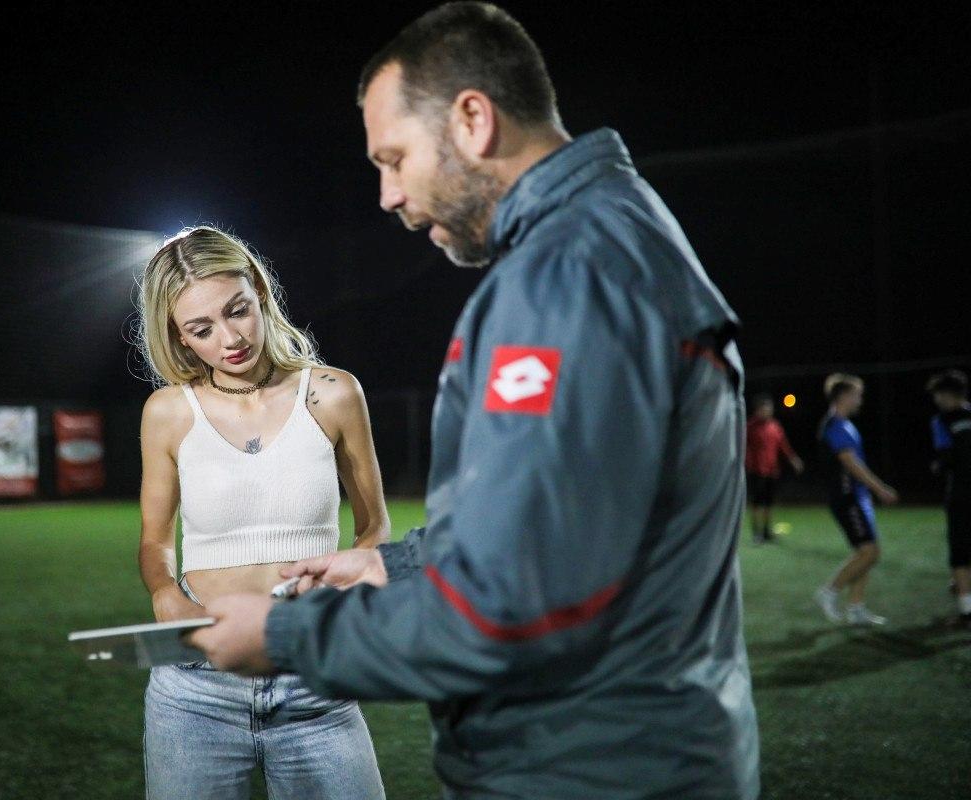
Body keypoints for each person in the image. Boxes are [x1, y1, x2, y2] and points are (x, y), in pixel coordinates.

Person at [188, 4, 760, 798]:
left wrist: (286, 636)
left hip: (584, 770)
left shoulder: (567, 275)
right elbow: (570, 523)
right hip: (641, 754)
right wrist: (392, 565)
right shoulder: (615, 232)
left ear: (472, 120)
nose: (387, 194)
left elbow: (509, 606)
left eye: (394, 158)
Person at [135, 225, 387, 799]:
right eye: (202, 329)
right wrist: (164, 593)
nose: (230, 339)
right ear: (178, 338)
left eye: (238, 310)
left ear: (260, 293)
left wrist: (350, 581)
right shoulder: (168, 411)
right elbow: (155, 540)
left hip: (312, 672)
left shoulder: (333, 393)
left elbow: (373, 526)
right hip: (196, 686)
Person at [813, 373, 898, 626]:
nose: (860, 400)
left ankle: (856, 608)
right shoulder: (835, 426)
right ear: (843, 396)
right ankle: (829, 592)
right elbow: (851, 464)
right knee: (870, 552)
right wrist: (880, 489)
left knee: (865, 553)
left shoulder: (845, 424)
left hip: (857, 498)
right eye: (857, 395)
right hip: (847, 498)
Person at [926, 369, 971, 626]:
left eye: (937, 395)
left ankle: (966, 610)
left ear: (945, 395)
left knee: (960, 550)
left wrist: (937, 466)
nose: (936, 400)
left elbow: (946, 458)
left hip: (961, 493)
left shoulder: (940, 421)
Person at [745, 393, 804, 543]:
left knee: (769, 502)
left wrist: (794, 460)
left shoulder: (775, 426)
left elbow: (784, 446)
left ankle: (767, 531)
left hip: (772, 470)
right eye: (765, 408)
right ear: (758, 410)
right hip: (756, 470)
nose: (768, 411)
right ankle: (756, 532)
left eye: (769, 408)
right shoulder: (750, 426)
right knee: (757, 502)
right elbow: (743, 446)